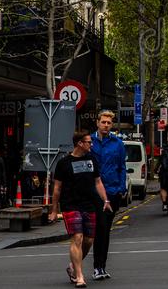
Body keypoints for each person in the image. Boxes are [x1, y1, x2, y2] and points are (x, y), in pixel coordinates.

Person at [49, 130, 113, 288]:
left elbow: (98, 181)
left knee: (89, 240)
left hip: (89, 204)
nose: (91, 144)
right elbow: (57, 188)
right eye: (89, 142)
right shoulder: (63, 163)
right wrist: (53, 210)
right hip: (70, 204)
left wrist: (105, 199)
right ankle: (79, 276)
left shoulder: (91, 159)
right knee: (77, 237)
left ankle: (72, 267)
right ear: (80, 143)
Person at [90, 111, 127, 281]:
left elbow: (121, 167)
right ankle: (97, 267)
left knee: (105, 231)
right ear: (97, 122)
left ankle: (102, 266)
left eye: (109, 123)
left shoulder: (118, 144)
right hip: (95, 192)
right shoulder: (89, 142)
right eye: (103, 122)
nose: (106, 125)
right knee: (101, 229)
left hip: (113, 191)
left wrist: (121, 188)